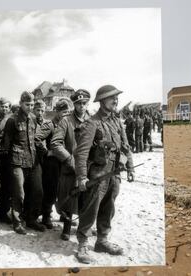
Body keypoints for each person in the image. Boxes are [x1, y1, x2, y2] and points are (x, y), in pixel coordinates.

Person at [74, 85, 134, 264]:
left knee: (109, 208)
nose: (115, 101)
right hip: (98, 175)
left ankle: (102, 240)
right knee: (90, 209)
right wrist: (82, 177)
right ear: (102, 101)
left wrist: (130, 166)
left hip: (115, 173)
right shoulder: (92, 123)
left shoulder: (117, 121)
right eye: (111, 98)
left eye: (116, 98)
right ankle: (83, 244)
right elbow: (82, 153)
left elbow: (126, 145)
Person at [2, 92, 45, 234]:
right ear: (21, 103)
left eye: (32, 105)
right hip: (17, 162)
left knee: (37, 191)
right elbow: (6, 145)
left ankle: (31, 219)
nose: (30, 107)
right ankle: (17, 222)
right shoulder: (12, 120)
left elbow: (36, 139)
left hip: (33, 161)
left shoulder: (33, 118)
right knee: (19, 193)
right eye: (27, 104)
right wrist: (9, 167)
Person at [51, 90, 91, 240]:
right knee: (68, 196)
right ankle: (66, 228)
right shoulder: (66, 121)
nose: (82, 106)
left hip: (87, 166)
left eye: (84, 103)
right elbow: (55, 143)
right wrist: (69, 159)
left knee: (86, 198)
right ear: (74, 105)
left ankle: (83, 228)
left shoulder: (92, 120)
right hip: (69, 167)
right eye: (79, 103)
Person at [35, 99, 70, 230]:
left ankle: (64, 215)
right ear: (56, 111)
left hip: (66, 162)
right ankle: (46, 216)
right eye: (63, 112)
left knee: (65, 189)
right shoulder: (50, 125)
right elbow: (36, 138)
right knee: (51, 190)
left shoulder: (69, 124)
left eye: (68, 112)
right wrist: (46, 152)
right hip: (53, 163)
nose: (66, 115)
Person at [0, 97, 13, 224]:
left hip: (7, 155)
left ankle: (3, 213)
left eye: (7, 107)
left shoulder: (11, 119)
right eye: (2, 106)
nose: (5, 109)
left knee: (6, 186)